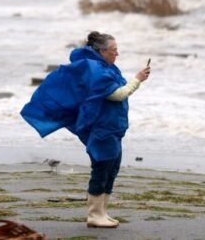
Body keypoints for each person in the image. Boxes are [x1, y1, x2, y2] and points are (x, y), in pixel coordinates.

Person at [20, 31, 150, 229]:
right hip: (102, 129)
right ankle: (94, 215)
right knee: (102, 169)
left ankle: (102, 212)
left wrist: (136, 80)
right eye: (114, 50)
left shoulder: (108, 67)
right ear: (102, 51)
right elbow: (118, 94)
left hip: (114, 127)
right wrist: (138, 79)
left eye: (117, 49)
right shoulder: (98, 70)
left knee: (111, 170)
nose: (118, 54)